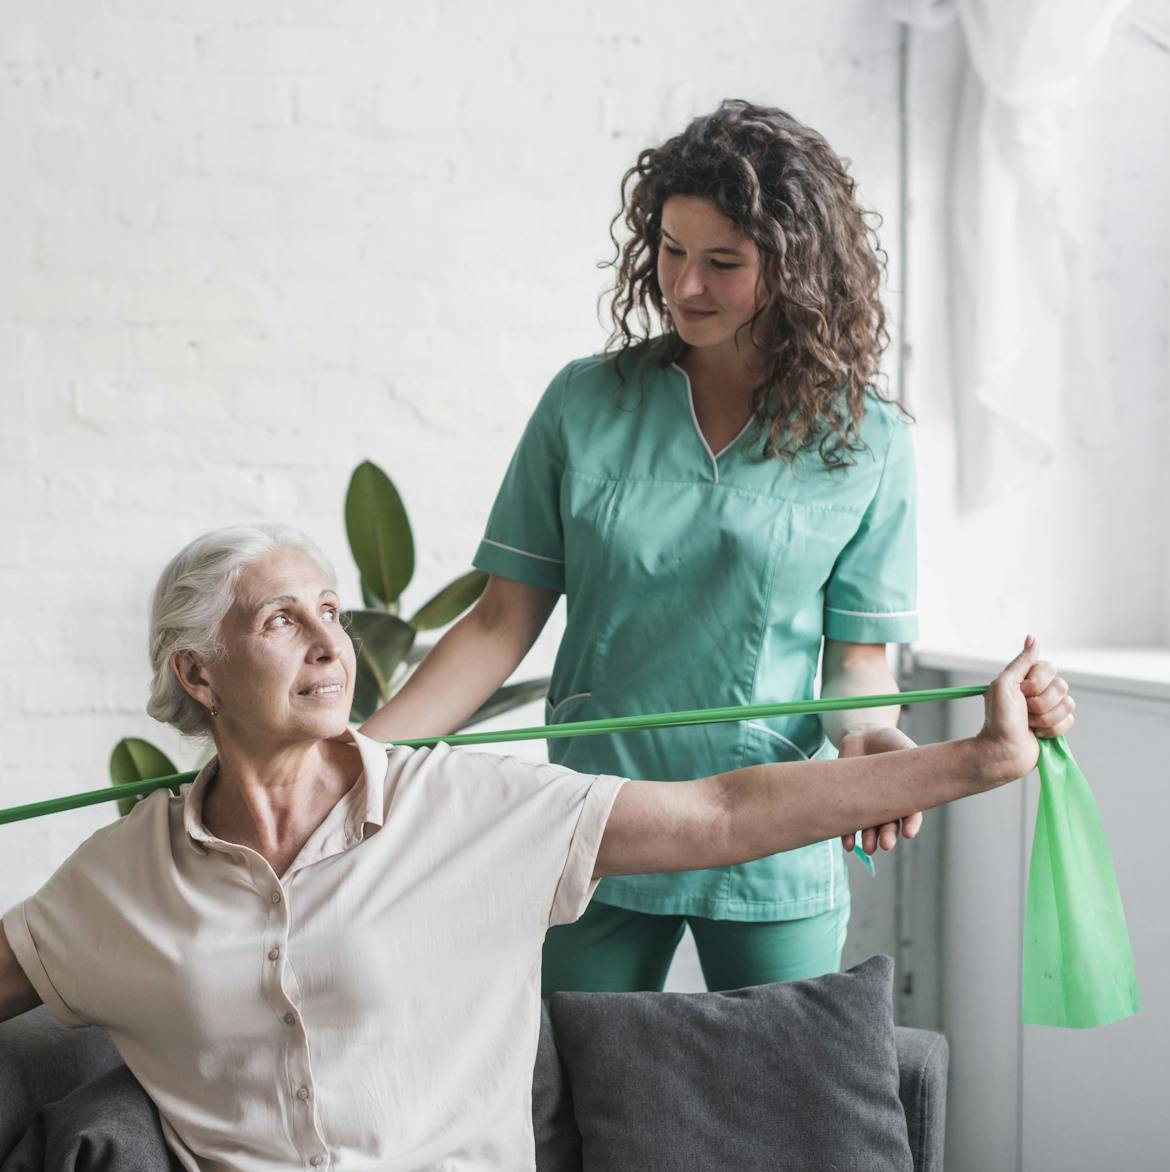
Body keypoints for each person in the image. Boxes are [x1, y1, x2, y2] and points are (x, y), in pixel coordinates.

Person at [0, 523, 1071, 1172]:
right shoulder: (120, 880)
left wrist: (976, 760)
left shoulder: (459, 806)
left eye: (330, 611)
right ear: (198, 674)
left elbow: (721, 812)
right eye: (283, 621)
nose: (330, 643)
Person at [363, 99, 951, 993]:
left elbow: (857, 661)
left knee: (781, 1072)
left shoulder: (867, 440)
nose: (685, 286)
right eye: (672, 250)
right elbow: (497, 623)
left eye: (724, 263)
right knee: (578, 1072)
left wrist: (868, 736)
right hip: (600, 823)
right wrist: (355, 758)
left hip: (774, 830)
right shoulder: (584, 404)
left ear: (798, 269)